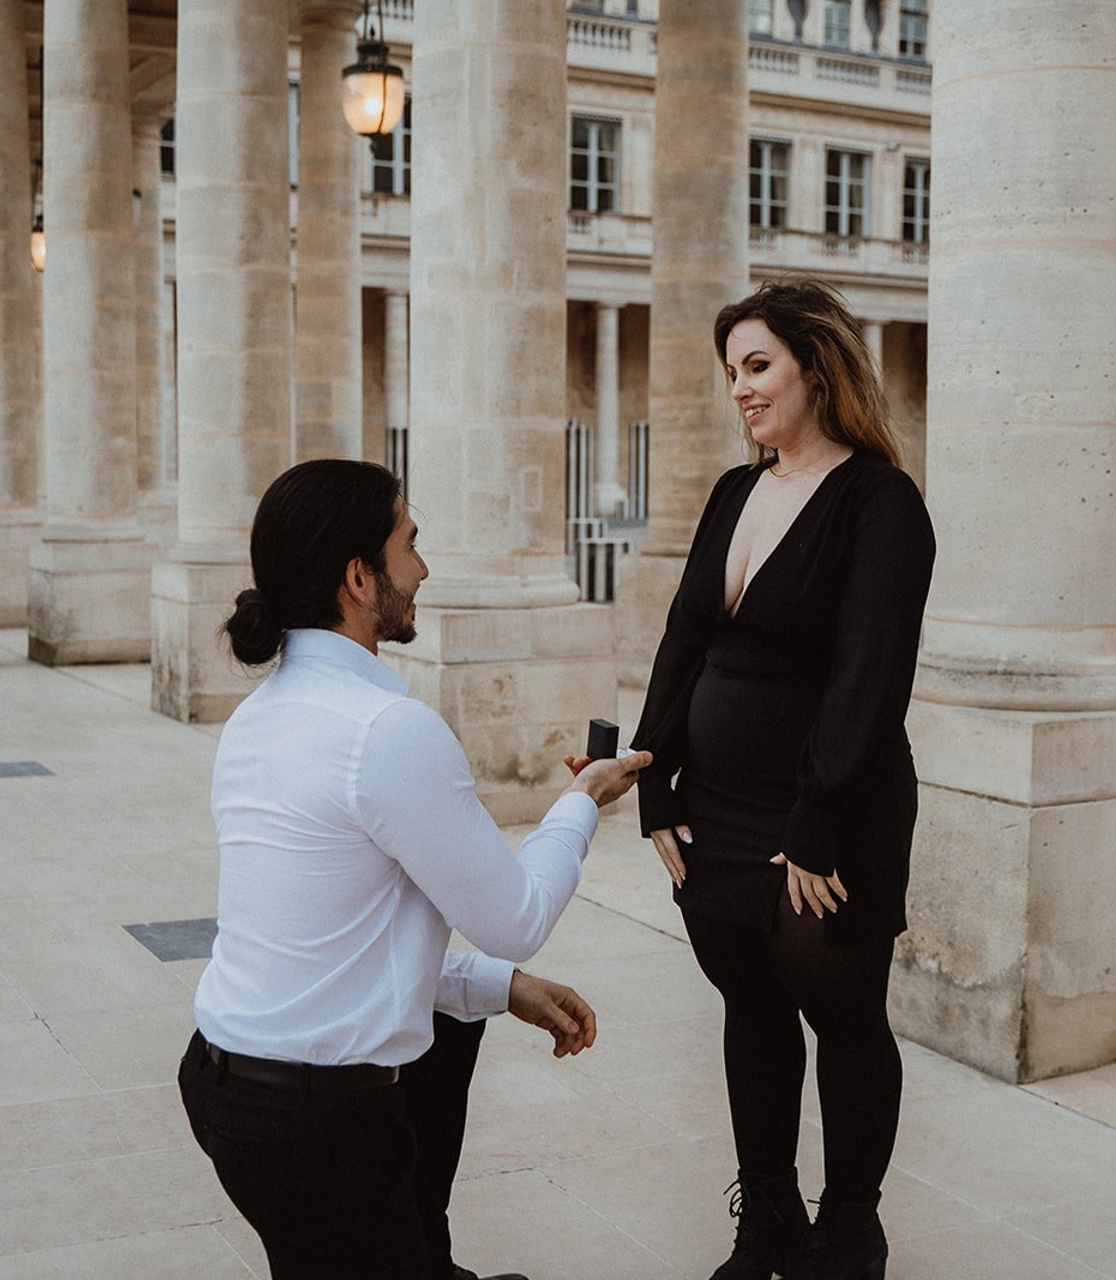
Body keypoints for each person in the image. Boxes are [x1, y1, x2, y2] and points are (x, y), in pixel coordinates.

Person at [177, 458, 650, 1280]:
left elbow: (334, 942)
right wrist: (582, 800)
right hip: (314, 1125)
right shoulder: (387, 730)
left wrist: (497, 988)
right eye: (410, 544)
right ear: (359, 578)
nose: (424, 568)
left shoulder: (258, 717)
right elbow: (518, 917)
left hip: (226, 1083)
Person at [631, 280, 935, 1280]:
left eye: (756, 366)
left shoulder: (879, 501)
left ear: (815, 366)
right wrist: (652, 782)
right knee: (750, 1010)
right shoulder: (733, 491)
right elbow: (685, 638)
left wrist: (814, 819)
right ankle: (765, 1217)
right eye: (731, 373)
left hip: (828, 810)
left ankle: (846, 1232)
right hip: (712, 808)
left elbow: (868, 672)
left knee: (842, 1018)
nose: (740, 390)